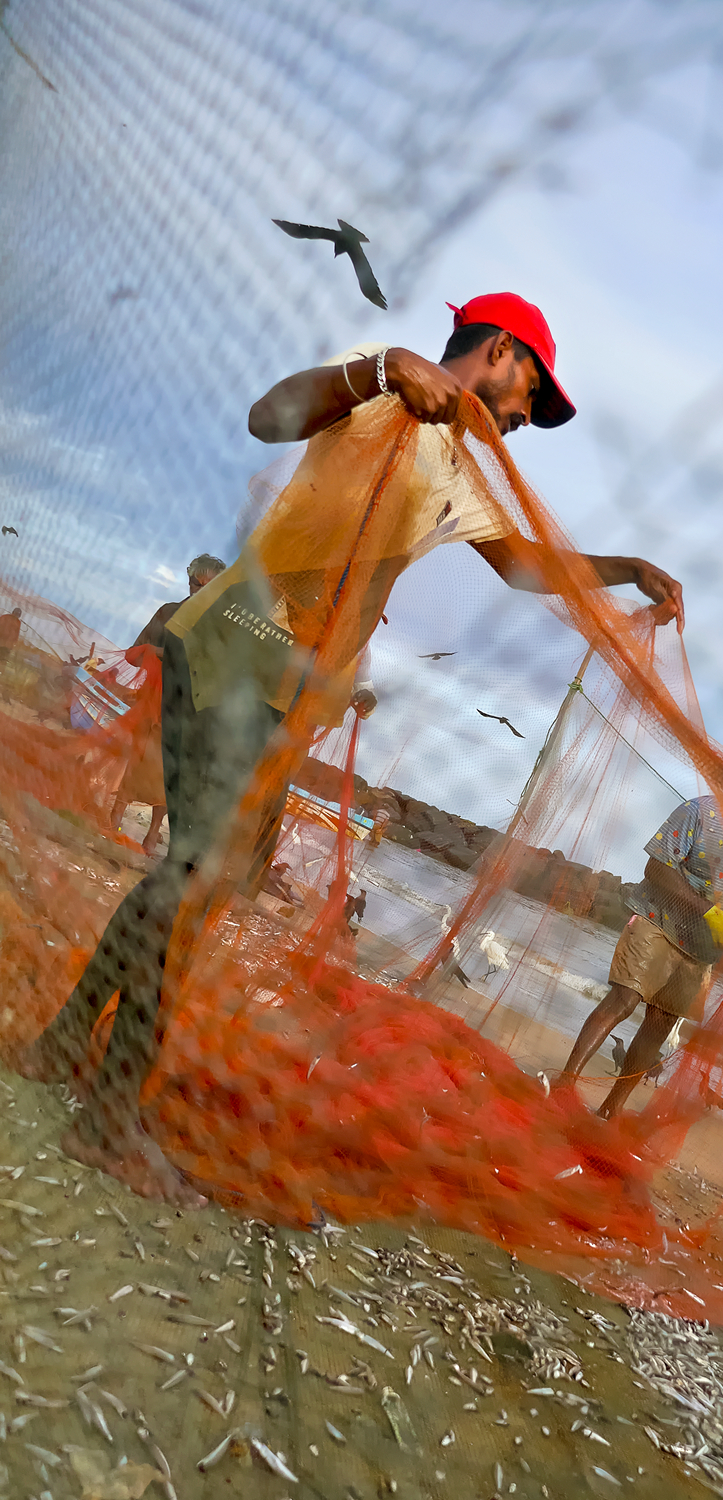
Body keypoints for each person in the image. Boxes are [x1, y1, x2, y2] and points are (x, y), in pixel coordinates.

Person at [23, 292, 685, 1206]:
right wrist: (377, 371)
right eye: (532, 392)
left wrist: (624, 570)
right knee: (200, 881)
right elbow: (268, 417)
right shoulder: (382, 386)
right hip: (238, 643)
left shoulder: (460, 468)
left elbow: (527, 565)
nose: (527, 418)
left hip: (289, 688)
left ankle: (62, 1045)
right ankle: (107, 1116)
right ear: (498, 351)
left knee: (192, 876)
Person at [560, 750, 723, 1118]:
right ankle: (564, 1085)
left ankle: (610, 1111)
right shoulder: (700, 811)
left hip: (701, 949)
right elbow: (656, 867)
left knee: (659, 1026)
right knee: (624, 1000)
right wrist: (708, 910)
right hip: (659, 920)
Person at [108, 555, 227, 854]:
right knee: (139, 759)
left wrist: (161, 653)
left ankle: (151, 834)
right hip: (153, 704)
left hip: (188, 710)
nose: (200, 591)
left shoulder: (219, 629)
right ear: (188, 582)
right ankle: (115, 819)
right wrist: (154, 652)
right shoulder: (168, 612)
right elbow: (134, 654)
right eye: (195, 583)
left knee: (170, 770)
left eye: (209, 587)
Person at [0, 606, 22, 697]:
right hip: (6, 646)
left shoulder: (5, 617)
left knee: (3, 663)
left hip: (5, 645)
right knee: (2, 663)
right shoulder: (16, 622)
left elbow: (16, 636)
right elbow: (15, 636)